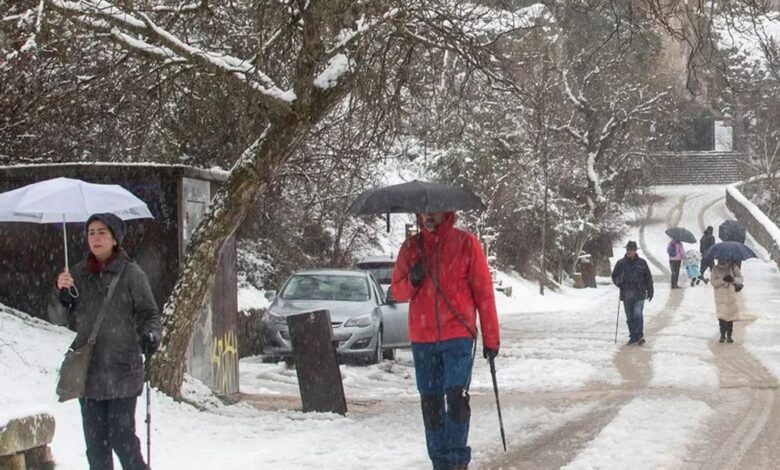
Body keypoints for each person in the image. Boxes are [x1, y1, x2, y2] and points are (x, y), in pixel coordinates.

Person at [50, 213, 160, 470]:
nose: (95, 238)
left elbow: (149, 314)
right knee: (96, 447)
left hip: (123, 370)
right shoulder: (76, 274)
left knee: (123, 439)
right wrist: (60, 293)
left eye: (102, 232)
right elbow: (57, 318)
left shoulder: (131, 274)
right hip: (89, 372)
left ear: (115, 239)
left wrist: (151, 335)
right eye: (91, 233)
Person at [391, 212, 500, 470]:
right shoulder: (411, 248)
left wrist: (491, 338)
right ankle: (439, 463)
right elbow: (397, 292)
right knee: (430, 404)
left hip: (458, 336)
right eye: (425, 211)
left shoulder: (466, 244)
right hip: (423, 339)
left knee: (456, 398)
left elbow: (484, 293)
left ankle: (457, 460)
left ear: (447, 211)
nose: (429, 216)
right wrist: (413, 279)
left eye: (436, 211)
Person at [611, 241, 654, 345]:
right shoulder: (621, 263)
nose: (629, 252)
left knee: (637, 314)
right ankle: (633, 336)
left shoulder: (642, 263)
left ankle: (639, 336)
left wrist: (650, 290)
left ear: (635, 251)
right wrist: (618, 281)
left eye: (631, 250)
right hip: (626, 294)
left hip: (639, 293)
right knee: (629, 316)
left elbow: (648, 277)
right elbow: (614, 276)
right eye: (628, 250)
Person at [710, 260, 743, 343]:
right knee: (721, 316)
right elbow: (713, 283)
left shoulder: (733, 267)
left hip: (730, 295)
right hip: (720, 296)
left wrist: (733, 279)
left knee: (730, 315)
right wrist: (723, 280)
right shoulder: (715, 269)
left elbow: (741, 279)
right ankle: (722, 335)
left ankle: (729, 335)